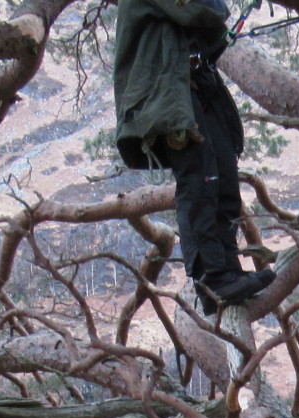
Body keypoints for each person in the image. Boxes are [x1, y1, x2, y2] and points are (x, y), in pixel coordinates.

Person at [112, 0, 274, 311]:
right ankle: (211, 281)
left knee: (224, 175)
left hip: (194, 88)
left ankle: (228, 272)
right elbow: (196, 11)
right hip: (166, 100)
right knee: (200, 181)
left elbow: (205, 27)